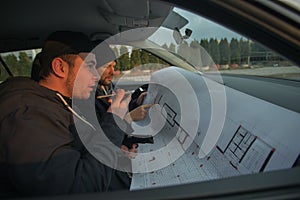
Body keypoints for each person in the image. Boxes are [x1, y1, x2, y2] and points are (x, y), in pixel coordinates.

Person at [0, 31, 136, 197]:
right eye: (89, 66)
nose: (95, 75)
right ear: (60, 67)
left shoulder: (60, 102)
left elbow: (76, 154)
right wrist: (114, 121)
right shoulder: (27, 114)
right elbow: (77, 188)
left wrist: (115, 152)